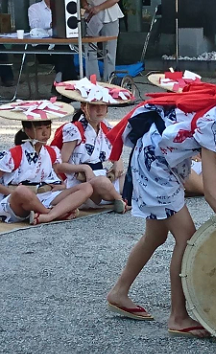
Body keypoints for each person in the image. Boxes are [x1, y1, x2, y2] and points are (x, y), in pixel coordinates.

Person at [105, 82, 216, 338]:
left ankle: (119, 292)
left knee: (156, 236)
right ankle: (178, 316)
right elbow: (210, 192)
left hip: (161, 157)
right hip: (156, 163)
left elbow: (211, 176)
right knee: (187, 239)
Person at [0, 100, 93, 225]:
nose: (45, 133)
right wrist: (12, 192)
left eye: (48, 128)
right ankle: (51, 213)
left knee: (86, 187)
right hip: (17, 200)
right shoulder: (14, 154)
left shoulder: (51, 152)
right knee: (22, 191)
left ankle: (49, 216)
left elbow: (58, 180)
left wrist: (60, 186)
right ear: (27, 130)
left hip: (44, 196)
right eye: (39, 129)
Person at [51, 77, 130, 213]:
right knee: (102, 182)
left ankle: (116, 198)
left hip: (104, 179)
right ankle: (120, 200)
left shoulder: (106, 126)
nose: (99, 110)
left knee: (134, 173)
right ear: (84, 107)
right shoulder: (73, 129)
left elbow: (114, 154)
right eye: (94, 105)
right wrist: (85, 168)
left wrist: (118, 162)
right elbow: (59, 166)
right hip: (82, 185)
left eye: (102, 105)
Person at [27, 0, 78, 89]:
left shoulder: (62, 8)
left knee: (64, 51)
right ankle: (68, 86)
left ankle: (60, 80)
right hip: (42, 47)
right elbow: (34, 25)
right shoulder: (34, 8)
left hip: (59, 44)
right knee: (66, 56)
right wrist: (51, 24)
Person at [82, 0, 124, 81]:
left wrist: (99, 8)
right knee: (90, 50)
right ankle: (93, 81)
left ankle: (109, 81)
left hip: (110, 13)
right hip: (91, 14)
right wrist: (85, 5)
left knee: (109, 51)